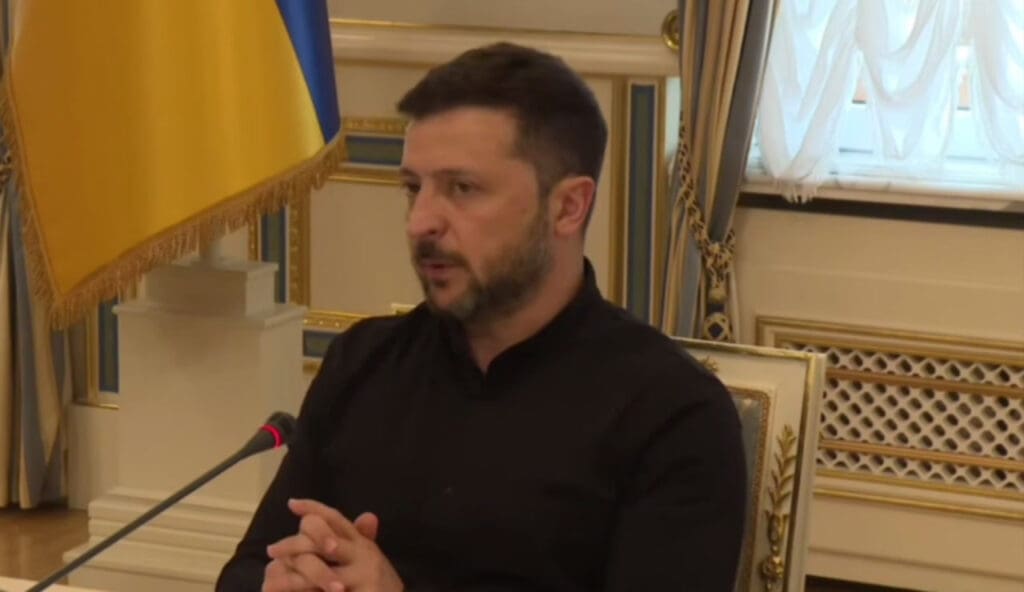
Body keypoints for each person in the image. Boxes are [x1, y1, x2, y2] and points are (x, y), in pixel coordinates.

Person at [217, 42, 746, 592]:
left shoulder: (673, 413)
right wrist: (284, 583)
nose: (420, 222)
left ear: (568, 206)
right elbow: (245, 571)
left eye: (462, 189)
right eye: (413, 188)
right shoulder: (365, 360)